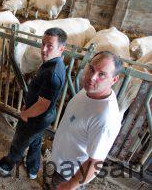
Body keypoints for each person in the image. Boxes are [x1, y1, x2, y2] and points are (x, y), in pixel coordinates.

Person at [0, 27, 67, 179]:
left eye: (50, 46)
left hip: (36, 116)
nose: (44, 49)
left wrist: (26, 113)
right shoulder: (54, 64)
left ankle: (6, 166)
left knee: (20, 141)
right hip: (44, 115)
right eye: (43, 44)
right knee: (36, 141)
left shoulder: (52, 73)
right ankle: (33, 169)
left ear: (61, 48)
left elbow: (42, 104)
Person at [47, 51, 123, 190]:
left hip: (70, 174)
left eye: (102, 74)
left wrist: (70, 186)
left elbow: (95, 162)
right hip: (59, 161)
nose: (92, 77)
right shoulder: (89, 91)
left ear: (114, 80)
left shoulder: (105, 118)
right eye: (92, 69)